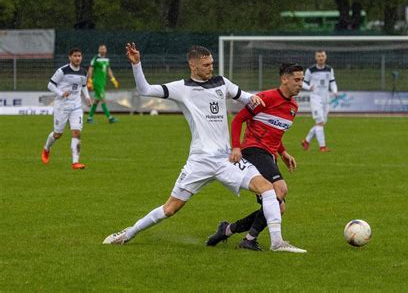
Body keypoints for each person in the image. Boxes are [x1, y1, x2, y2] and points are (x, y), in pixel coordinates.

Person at [102, 43, 306, 253]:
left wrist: (253, 98)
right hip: (199, 161)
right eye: (206, 64)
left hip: (227, 160)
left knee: (268, 189)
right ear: (193, 65)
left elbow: (246, 96)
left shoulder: (221, 82)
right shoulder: (181, 88)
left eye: (212, 64)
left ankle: (277, 242)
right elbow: (144, 90)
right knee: (170, 209)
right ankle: (127, 234)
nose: (211, 68)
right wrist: (136, 64)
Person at [206, 63, 304, 251]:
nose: (300, 84)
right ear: (285, 79)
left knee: (279, 207)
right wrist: (236, 147)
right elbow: (238, 120)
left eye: (302, 80)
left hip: (269, 155)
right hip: (253, 150)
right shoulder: (264, 98)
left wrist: (282, 152)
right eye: (297, 80)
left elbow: (275, 132)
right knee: (280, 189)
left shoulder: (293, 107)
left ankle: (233, 232)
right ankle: (266, 242)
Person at [41, 48, 92, 169]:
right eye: (75, 56)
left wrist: (87, 97)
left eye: (79, 56)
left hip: (76, 106)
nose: (77, 58)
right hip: (62, 107)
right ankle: (46, 148)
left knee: (76, 132)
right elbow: (50, 85)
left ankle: (75, 162)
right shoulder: (62, 71)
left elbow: (83, 86)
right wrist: (60, 93)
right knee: (58, 134)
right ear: (70, 57)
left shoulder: (84, 72)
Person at [301, 50, 338, 152]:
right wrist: (308, 87)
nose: (321, 58)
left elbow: (332, 81)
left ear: (325, 57)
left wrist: (335, 91)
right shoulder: (310, 70)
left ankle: (306, 141)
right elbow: (303, 82)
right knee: (320, 122)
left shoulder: (329, 69)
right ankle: (322, 147)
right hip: (315, 99)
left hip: (326, 99)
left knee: (321, 123)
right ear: (315, 57)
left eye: (322, 56)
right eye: (319, 56)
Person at [86, 44, 119, 123]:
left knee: (96, 101)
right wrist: (89, 80)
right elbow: (90, 69)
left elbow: (108, 70)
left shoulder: (106, 60)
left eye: (104, 49)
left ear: (106, 50)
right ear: (98, 50)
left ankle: (89, 118)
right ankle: (110, 118)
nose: (103, 50)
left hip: (102, 82)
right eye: (101, 49)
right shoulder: (95, 59)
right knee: (103, 100)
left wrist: (113, 79)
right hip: (97, 82)